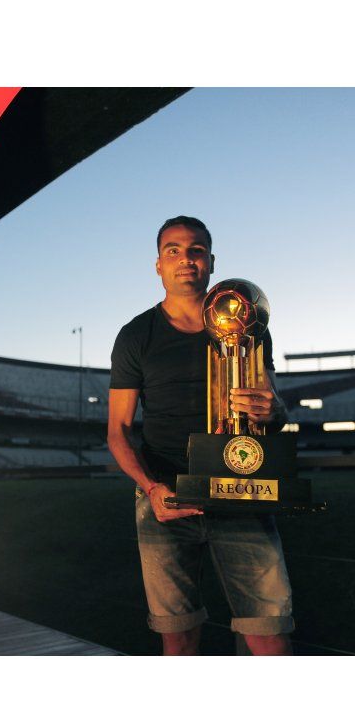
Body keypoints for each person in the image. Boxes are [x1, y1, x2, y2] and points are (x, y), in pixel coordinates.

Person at [107, 215, 294, 656]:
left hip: (241, 491)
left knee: (269, 633)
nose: (185, 259)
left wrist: (275, 411)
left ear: (211, 261)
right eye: (173, 250)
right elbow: (117, 431)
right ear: (158, 265)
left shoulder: (247, 320)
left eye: (196, 250)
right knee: (179, 636)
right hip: (165, 497)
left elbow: (273, 412)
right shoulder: (135, 335)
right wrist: (151, 488)